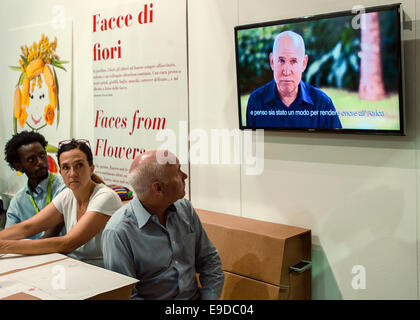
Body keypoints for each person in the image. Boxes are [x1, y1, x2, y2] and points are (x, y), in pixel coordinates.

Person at [102, 150, 224, 300]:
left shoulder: (184, 209)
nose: (185, 176)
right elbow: (126, 296)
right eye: (178, 172)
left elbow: (209, 261)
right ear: (158, 188)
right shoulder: (118, 232)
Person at [0, 139, 122, 267]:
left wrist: (5, 246)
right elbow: (28, 227)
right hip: (74, 267)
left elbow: (67, 243)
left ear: (91, 169)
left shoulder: (105, 197)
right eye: (66, 167)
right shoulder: (68, 194)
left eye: (79, 165)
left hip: (105, 272)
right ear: (61, 172)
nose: (72, 173)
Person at [246, 30, 342, 129]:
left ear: (304, 63)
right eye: (281, 60)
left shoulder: (323, 104)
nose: (287, 71)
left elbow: (338, 143)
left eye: (293, 61)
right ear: (272, 62)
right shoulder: (256, 101)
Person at [4, 131, 66, 239]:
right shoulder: (18, 201)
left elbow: (50, 236)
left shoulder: (64, 188)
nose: (40, 162)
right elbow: (8, 237)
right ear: (18, 166)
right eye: (31, 159)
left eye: (42, 155)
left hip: (60, 254)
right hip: (29, 254)